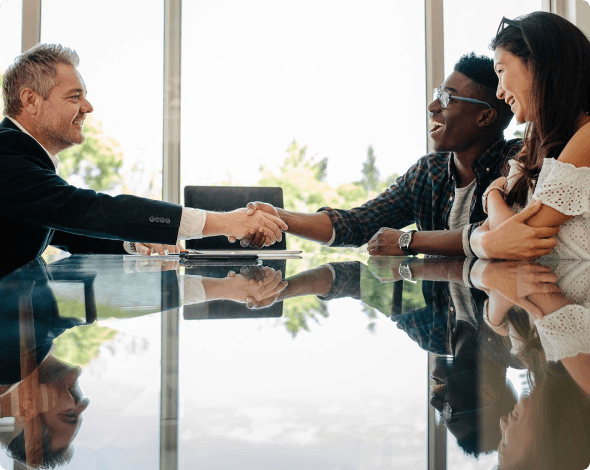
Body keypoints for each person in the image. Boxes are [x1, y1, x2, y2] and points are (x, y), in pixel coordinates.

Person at [240, 53, 557, 259]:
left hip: (502, 326)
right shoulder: (428, 173)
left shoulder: (520, 161)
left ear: (485, 117)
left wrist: (409, 241)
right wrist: (280, 217)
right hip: (447, 330)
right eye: (436, 96)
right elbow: (359, 224)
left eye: (446, 98)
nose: (433, 107)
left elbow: (496, 239)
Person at [0, 44, 287, 270]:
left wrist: (135, 242)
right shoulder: (7, 158)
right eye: (74, 97)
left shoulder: (21, 157)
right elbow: (89, 210)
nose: (88, 106)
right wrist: (227, 222)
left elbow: (66, 229)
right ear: (30, 101)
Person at [470, 12, 590, 260]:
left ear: (539, 62)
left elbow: (519, 242)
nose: (500, 93)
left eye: (501, 71)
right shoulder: (533, 147)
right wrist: (485, 242)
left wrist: (492, 193)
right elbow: (492, 236)